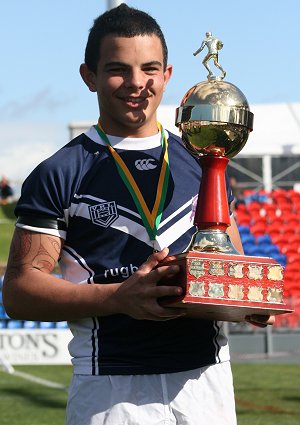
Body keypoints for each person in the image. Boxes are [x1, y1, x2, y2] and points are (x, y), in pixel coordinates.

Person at [3, 4, 274, 424]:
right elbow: (19, 292)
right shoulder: (60, 172)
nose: (137, 83)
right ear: (88, 75)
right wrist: (118, 298)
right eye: (117, 69)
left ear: (167, 75)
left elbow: (227, 264)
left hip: (206, 382)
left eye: (150, 68)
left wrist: (248, 300)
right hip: (112, 389)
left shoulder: (204, 159)